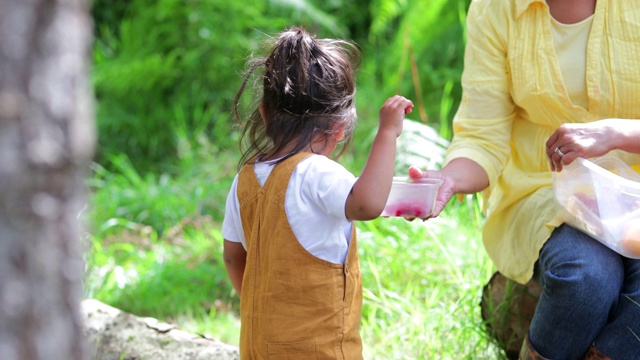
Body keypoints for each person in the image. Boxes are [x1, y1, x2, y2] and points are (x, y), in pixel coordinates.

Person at [408, 1, 640, 359]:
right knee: (585, 277)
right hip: (549, 193)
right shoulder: (496, 11)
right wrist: (448, 179)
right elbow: (483, 135)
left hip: (634, 196)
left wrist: (615, 133)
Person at [221, 26, 413, 360]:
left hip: (256, 347)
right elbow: (366, 203)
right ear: (340, 126)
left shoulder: (245, 180)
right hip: (318, 350)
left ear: (264, 115)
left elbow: (233, 257)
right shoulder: (315, 171)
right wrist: (387, 134)